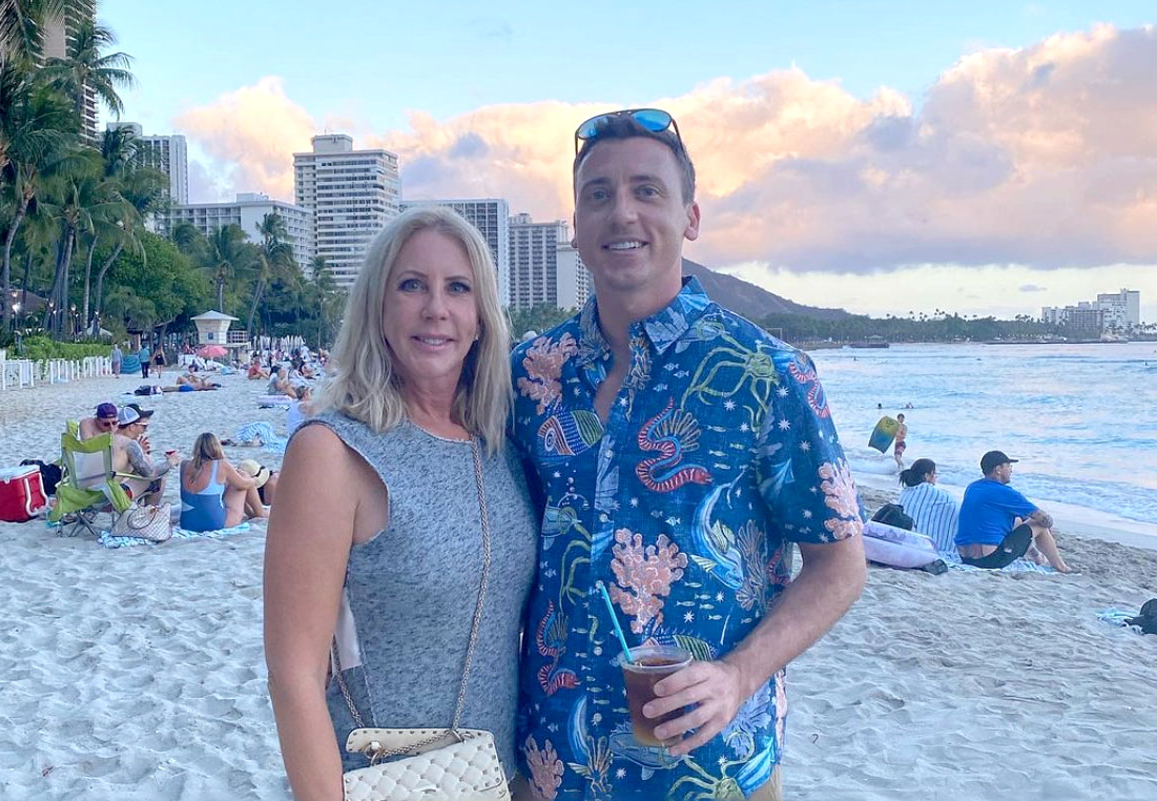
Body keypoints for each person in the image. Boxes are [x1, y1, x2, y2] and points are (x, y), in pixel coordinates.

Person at [509, 108, 866, 801]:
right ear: (577, 231)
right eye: (599, 195)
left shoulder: (768, 373)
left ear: (690, 218)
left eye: (647, 190)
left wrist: (738, 674)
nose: (622, 213)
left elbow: (842, 562)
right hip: (553, 764)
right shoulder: (531, 373)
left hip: (711, 770)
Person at [264, 206, 538, 801]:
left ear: (481, 317)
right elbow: (295, 677)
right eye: (411, 285)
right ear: (378, 309)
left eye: (457, 289)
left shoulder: (501, 447)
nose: (435, 308)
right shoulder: (333, 453)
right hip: (380, 782)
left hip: (497, 779)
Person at [955, 451, 1071, 572]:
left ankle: (1037, 556)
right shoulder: (1005, 493)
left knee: (1017, 520)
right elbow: (1042, 517)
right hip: (988, 560)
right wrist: (1048, 526)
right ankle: (1061, 566)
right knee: (1039, 524)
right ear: (998, 469)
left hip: (965, 557)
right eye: (1009, 466)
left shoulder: (973, 487)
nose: (1011, 470)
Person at [179, 433, 263, 531]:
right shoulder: (220, 464)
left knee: (225, 484)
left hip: (187, 524)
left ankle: (253, 513)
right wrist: (253, 480)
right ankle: (260, 513)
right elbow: (243, 485)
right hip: (216, 524)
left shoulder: (184, 465)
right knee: (244, 477)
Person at [113, 406, 178, 503]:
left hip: (91, 494)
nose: (145, 431)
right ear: (131, 426)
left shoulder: (105, 439)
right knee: (158, 478)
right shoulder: (129, 443)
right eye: (144, 426)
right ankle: (151, 514)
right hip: (114, 496)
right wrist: (170, 463)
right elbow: (150, 473)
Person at [897, 458, 960, 558]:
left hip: (904, 542)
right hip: (923, 545)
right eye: (934, 474)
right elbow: (956, 508)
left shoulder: (905, 492)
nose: (936, 477)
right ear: (927, 476)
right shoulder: (936, 494)